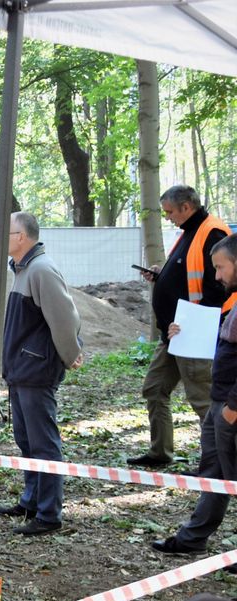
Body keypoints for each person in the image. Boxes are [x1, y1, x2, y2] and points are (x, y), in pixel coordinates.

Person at [128, 185, 232, 468]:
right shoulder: (189, 232)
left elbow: (218, 289)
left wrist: (189, 324)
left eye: (171, 212)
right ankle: (160, 452)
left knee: (203, 402)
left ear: (187, 207)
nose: (168, 217)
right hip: (173, 334)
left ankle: (220, 463)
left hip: (193, 335)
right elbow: (187, 274)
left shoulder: (212, 233)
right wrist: (162, 277)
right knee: (154, 388)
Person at [0, 212, 83, 536]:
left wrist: (70, 354)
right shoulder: (23, 270)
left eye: (7, 231)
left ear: (22, 237)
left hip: (35, 370)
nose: (1, 237)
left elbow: (65, 319)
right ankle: (31, 500)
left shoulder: (42, 270)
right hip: (20, 370)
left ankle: (49, 513)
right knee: (26, 440)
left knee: (44, 444)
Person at [153, 234, 237, 555]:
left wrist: (233, 408)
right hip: (220, 405)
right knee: (213, 476)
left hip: (230, 408)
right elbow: (225, 342)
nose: (216, 276)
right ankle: (192, 539)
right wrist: (183, 330)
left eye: (220, 267)